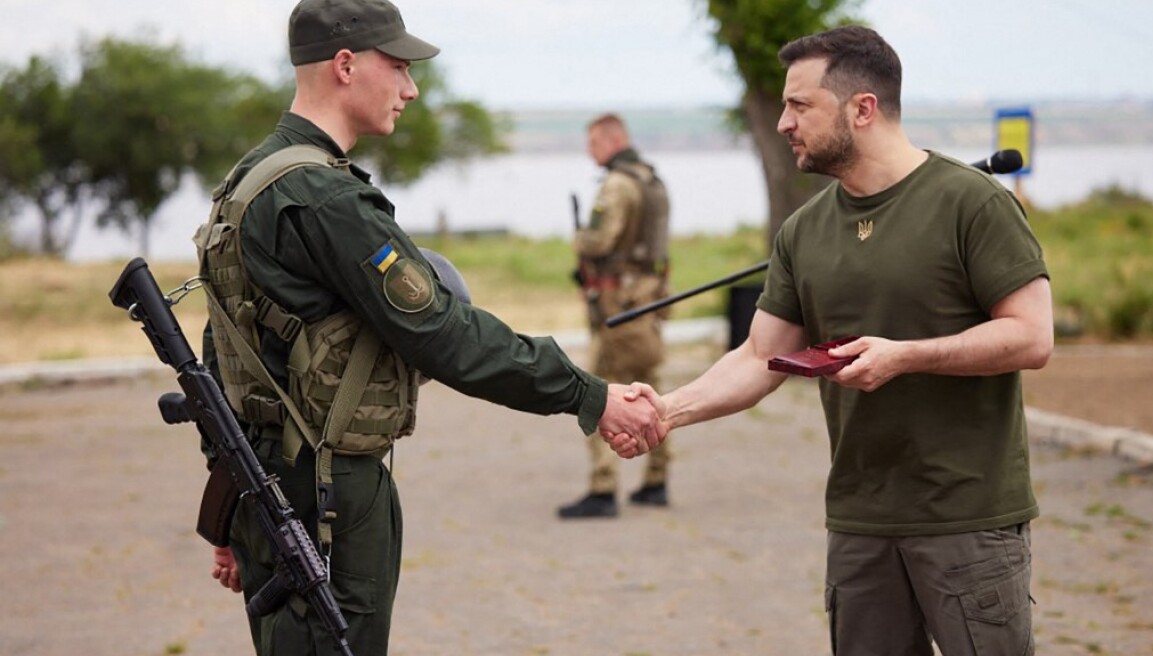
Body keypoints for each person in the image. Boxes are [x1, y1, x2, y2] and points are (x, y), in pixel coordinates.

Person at [198, 1, 663, 654]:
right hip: (327, 496)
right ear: (345, 66)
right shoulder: (327, 199)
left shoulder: (245, 182)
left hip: (263, 485)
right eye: (398, 67)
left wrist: (230, 508)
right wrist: (590, 394)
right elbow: (445, 334)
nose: (410, 88)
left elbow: (221, 353)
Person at [612, 25, 1053, 656]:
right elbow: (759, 356)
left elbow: (1032, 337)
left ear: (862, 109)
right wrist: (667, 411)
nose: (785, 123)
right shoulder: (803, 230)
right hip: (859, 522)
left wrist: (906, 356)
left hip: (968, 520)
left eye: (800, 105)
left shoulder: (972, 203)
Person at [558, 113, 674, 519]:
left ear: (613, 140)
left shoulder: (618, 184)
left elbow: (600, 239)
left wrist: (579, 240)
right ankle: (657, 480)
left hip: (618, 308)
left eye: (594, 142)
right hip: (649, 301)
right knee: (653, 390)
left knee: (596, 391)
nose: (590, 151)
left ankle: (603, 487)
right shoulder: (652, 180)